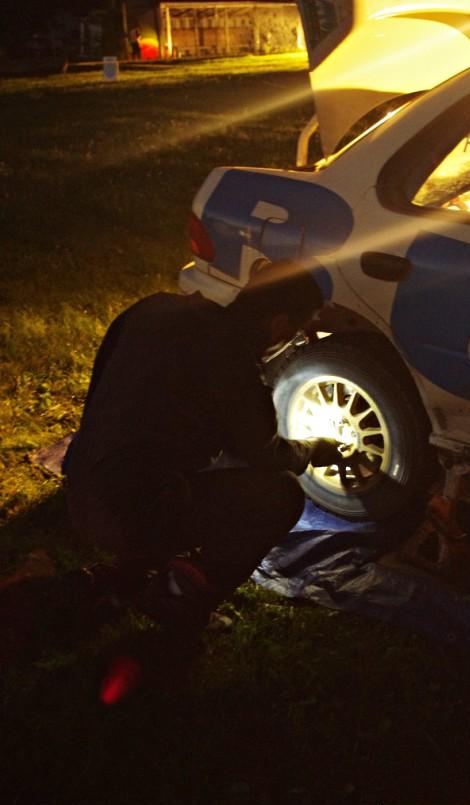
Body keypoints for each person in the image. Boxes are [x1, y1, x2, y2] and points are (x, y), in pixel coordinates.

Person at [66, 262, 344, 643]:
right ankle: (178, 601)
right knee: (279, 495)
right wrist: (313, 449)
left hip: (81, 482)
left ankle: (129, 578)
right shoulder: (236, 365)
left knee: (158, 475)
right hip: (124, 512)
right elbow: (267, 455)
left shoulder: (155, 309)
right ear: (279, 325)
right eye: (294, 333)